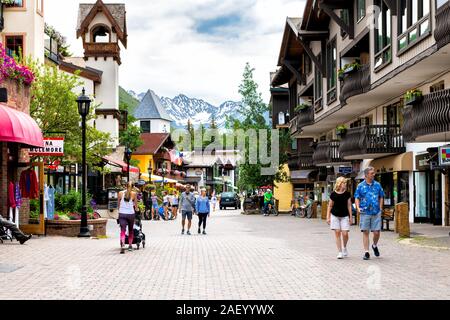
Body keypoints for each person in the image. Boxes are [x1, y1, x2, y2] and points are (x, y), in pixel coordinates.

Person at [355, 167, 385, 261]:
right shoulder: (360, 186)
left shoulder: (377, 185)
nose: (373, 174)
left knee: (376, 232)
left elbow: (381, 196)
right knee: (365, 232)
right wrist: (358, 207)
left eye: (373, 173)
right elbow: (357, 197)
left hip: (376, 212)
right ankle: (366, 252)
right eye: (372, 173)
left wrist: (380, 207)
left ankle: (374, 245)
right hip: (365, 212)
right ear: (367, 175)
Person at [327, 177, 353, 259]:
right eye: (343, 183)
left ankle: (344, 247)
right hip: (335, 215)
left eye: (345, 183)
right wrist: (328, 217)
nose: (345, 184)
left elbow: (349, 205)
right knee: (337, 233)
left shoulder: (347, 194)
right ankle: (340, 252)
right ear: (339, 184)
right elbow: (330, 206)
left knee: (345, 234)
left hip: (345, 216)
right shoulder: (333, 194)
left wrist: (351, 217)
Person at [118, 182, 138, 254]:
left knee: (122, 230)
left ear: (125, 186)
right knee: (130, 230)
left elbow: (118, 204)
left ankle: (123, 244)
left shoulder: (120, 193)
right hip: (130, 214)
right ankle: (130, 246)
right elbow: (136, 206)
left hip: (122, 213)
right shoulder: (134, 194)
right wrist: (137, 209)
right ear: (132, 187)